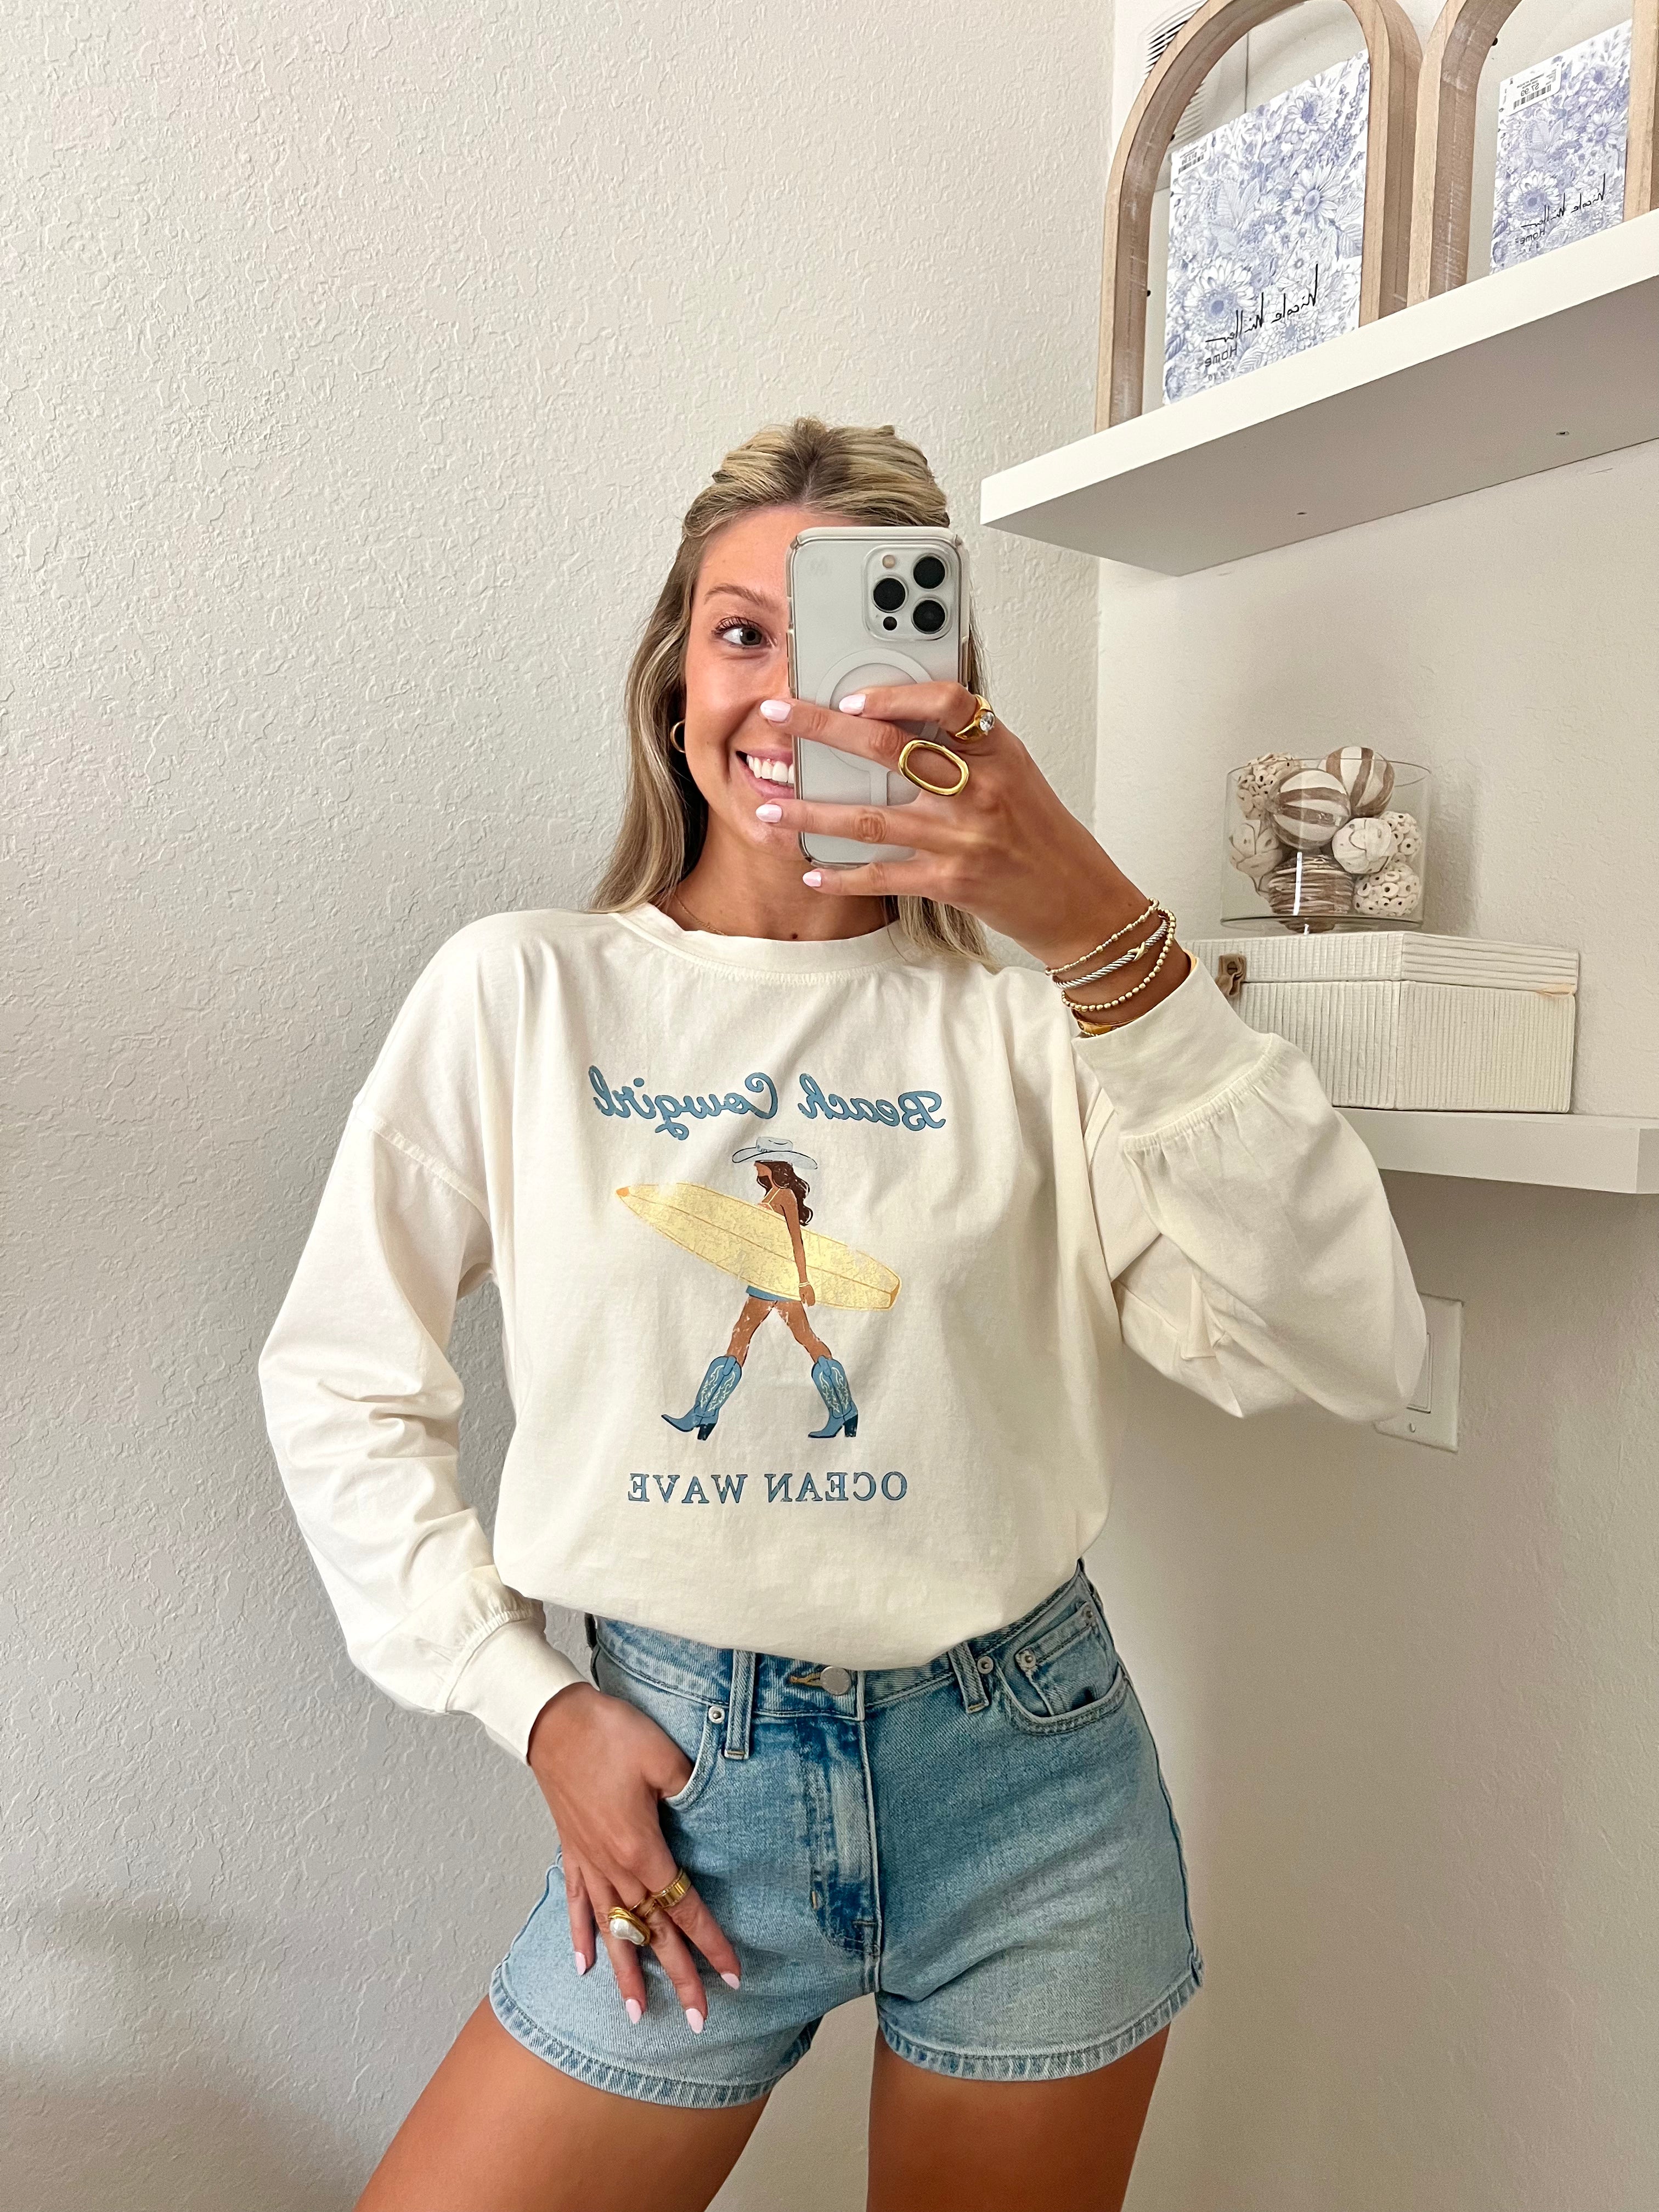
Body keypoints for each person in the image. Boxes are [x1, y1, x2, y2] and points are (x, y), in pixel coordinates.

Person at [258, 416, 1426, 2212]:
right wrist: (529, 1703)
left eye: (859, 642)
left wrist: (1104, 934)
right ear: (673, 682)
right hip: (683, 1795)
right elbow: (341, 1376)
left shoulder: (1037, 1020)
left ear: (949, 696)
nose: (790, 695)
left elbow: (1346, 1342)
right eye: (742, 632)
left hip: (1031, 1785)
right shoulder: (525, 992)